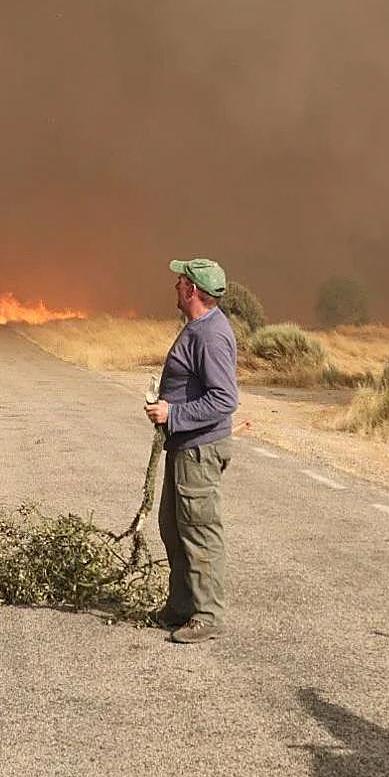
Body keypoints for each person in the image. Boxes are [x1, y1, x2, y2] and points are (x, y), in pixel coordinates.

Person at [144, 259, 238, 644]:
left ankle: (208, 614)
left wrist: (173, 412)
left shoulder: (210, 335)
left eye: (180, 280)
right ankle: (181, 606)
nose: (175, 285)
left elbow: (224, 399)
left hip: (199, 452)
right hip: (185, 448)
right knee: (174, 527)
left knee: (199, 531)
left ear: (193, 290)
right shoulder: (198, 328)